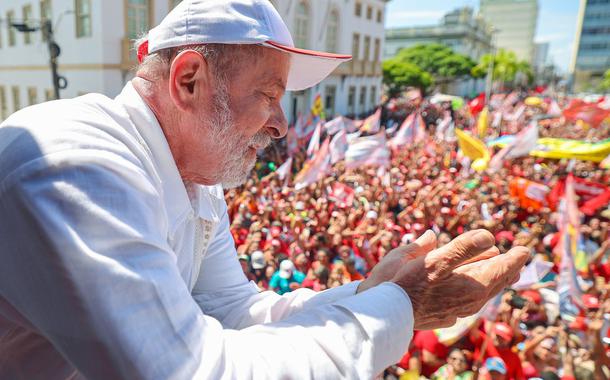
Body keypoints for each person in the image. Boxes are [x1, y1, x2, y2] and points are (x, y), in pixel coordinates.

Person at [0, 1, 528, 378]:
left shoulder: (196, 180)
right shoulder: (77, 167)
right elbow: (195, 371)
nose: (281, 124)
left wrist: (369, 296)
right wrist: (398, 309)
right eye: (270, 95)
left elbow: (233, 308)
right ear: (189, 81)